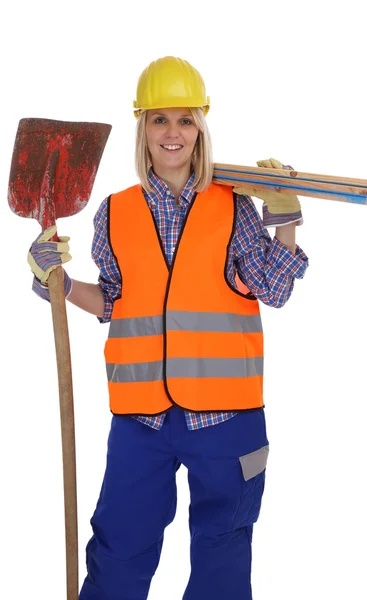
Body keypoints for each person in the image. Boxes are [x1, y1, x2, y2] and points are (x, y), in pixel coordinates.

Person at [28, 56, 309, 600]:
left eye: (185, 119)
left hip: (227, 418)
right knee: (117, 549)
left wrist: (285, 219)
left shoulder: (237, 208)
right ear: (143, 128)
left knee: (222, 554)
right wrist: (55, 281)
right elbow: (112, 300)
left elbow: (274, 290)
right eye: (159, 119)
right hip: (140, 422)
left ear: (201, 125)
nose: (173, 132)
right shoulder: (114, 212)